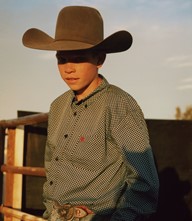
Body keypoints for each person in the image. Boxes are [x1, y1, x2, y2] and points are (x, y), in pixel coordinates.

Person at [22, 5, 159, 221]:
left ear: (99, 59)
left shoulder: (119, 104)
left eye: (77, 58)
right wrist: (51, 211)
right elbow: (52, 168)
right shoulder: (57, 106)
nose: (68, 68)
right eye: (61, 59)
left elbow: (144, 181)